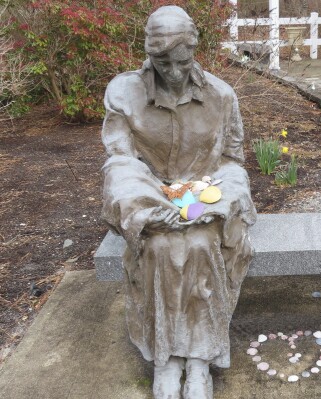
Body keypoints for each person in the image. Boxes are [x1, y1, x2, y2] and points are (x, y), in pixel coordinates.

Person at [101, 6, 256, 399]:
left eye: (182, 61)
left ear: (195, 51)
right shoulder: (123, 91)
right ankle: (166, 359)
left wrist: (221, 198)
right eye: (161, 61)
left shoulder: (221, 95)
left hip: (208, 196)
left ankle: (200, 360)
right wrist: (150, 204)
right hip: (151, 197)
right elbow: (120, 159)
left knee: (202, 244)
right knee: (161, 246)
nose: (172, 71)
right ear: (148, 54)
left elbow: (234, 161)